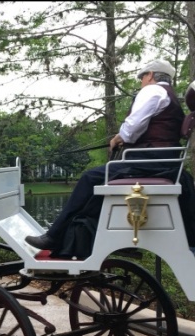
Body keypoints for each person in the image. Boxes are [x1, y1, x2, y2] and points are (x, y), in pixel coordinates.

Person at [25, 59, 186, 251]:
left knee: (88, 178)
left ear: (150, 75)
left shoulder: (152, 91)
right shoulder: (171, 95)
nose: (141, 82)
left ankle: (54, 236)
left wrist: (120, 137)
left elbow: (133, 125)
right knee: (97, 178)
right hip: (162, 161)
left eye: (142, 77)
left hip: (150, 161)